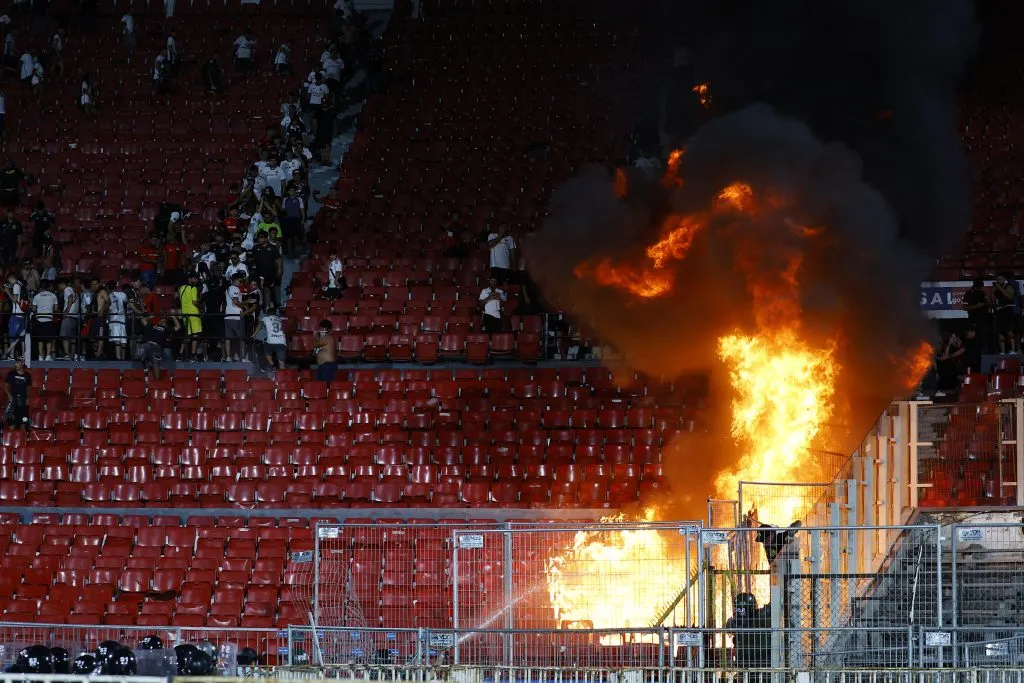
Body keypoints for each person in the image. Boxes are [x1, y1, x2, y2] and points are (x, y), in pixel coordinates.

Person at [139, 313, 180, 379]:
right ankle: (146, 363)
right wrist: (150, 317)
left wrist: (173, 317)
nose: (161, 322)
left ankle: (157, 383)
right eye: (160, 321)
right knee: (139, 351)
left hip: (157, 347)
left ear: (166, 324)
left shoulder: (167, 329)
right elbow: (143, 320)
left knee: (156, 363)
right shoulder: (152, 326)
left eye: (163, 322)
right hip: (147, 344)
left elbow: (178, 327)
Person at [30, 279, 58, 361]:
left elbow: (34, 309)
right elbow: (56, 309)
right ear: (49, 286)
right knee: (49, 339)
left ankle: (40, 356)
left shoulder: (37, 296)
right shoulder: (53, 296)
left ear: (40, 286)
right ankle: (48, 356)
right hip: (49, 319)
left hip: (39, 320)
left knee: (40, 339)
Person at [961, 279, 991, 352]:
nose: (981, 288)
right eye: (980, 286)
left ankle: (984, 351)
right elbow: (964, 307)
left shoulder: (982, 292)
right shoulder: (968, 293)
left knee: (984, 337)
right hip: (973, 318)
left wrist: (988, 303)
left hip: (983, 318)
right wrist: (977, 306)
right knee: (974, 338)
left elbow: (986, 303)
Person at [253, 305, 286, 370]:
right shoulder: (280, 319)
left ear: (268, 314)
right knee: (281, 363)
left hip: (271, 341)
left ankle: (272, 365)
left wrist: (254, 334)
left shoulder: (266, 318)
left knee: (266, 352)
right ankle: (282, 377)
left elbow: (260, 324)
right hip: (282, 341)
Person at [3, 273, 27, 359]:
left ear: (11, 278)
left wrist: (7, 291)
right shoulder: (22, 285)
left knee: (12, 336)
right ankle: (24, 355)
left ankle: (12, 355)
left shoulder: (16, 286)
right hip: (22, 314)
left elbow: (14, 300)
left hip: (16, 314)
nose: (9, 282)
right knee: (21, 337)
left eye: (9, 280)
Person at [993, 274, 1018, 355]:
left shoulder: (1009, 286)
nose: (999, 281)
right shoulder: (995, 288)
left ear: (1004, 279)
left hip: (1008, 313)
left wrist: (1000, 288)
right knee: (1000, 334)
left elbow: (1009, 296)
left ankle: (1013, 350)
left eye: (1000, 279)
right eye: (998, 279)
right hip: (999, 313)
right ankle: (1002, 351)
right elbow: (993, 299)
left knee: (1010, 333)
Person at [935, 332, 965, 398]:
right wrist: (949, 344)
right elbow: (943, 358)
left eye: (956, 338)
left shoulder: (960, 349)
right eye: (953, 338)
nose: (955, 340)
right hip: (944, 379)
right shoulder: (943, 349)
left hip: (953, 380)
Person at [224, 272, 245, 361]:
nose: (241, 282)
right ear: (235, 280)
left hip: (227, 315)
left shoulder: (227, 289)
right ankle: (243, 357)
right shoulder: (236, 288)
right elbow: (235, 302)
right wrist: (244, 306)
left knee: (228, 338)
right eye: (240, 280)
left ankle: (228, 357)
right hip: (236, 316)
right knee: (241, 338)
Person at [4, 357, 30, 431]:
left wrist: (27, 398)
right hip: (13, 402)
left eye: (18, 362)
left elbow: (28, 388)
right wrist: (9, 395)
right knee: (12, 424)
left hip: (22, 402)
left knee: (23, 423)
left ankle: (23, 441)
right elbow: (5, 386)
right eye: (15, 362)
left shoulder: (27, 375)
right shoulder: (11, 374)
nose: (16, 364)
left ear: (22, 363)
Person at [58, 277, 80, 360]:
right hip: (75, 316)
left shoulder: (67, 289)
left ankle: (67, 354)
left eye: (59, 285)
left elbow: (70, 297)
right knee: (72, 338)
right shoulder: (74, 290)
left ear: (62, 284)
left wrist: (67, 311)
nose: (58, 288)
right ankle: (72, 355)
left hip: (69, 316)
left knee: (64, 336)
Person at [280, 184, 304, 255]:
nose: (291, 191)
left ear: (295, 191)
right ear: (288, 192)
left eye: (293, 190)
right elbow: (283, 210)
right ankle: (290, 251)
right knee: (288, 236)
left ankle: (297, 251)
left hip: (296, 219)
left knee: (295, 235)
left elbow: (302, 210)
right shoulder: (285, 199)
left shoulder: (299, 199)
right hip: (287, 220)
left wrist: (302, 219)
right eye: (290, 190)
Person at [91, 279, 110, 360]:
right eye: (92, 284)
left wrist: (102, 310)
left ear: (99, 284)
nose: (93, 286)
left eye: (95, 284)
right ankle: (101, 352)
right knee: (92, 338)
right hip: (95, 317)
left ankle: (99, 353)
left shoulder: (102, 291)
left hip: (101, 317)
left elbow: (108, 302)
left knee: (100, 335)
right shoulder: (94, 294)